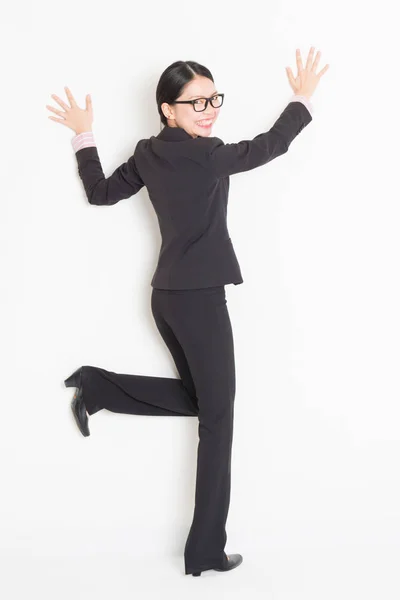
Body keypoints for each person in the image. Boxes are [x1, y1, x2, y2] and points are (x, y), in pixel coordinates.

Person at [46, 47, 329, 577]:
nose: (209, 110)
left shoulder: (149, 153)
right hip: (199, 300)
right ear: (167, 109)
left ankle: (100, 388)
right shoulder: (208, 153)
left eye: (213, 98)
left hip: (166, 299)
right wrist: (301, 99)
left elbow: (101, 193)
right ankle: (204, 552)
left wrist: (84, 137)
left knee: (209, 404)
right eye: (195, 102)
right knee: (219, 419)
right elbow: (266, 148)